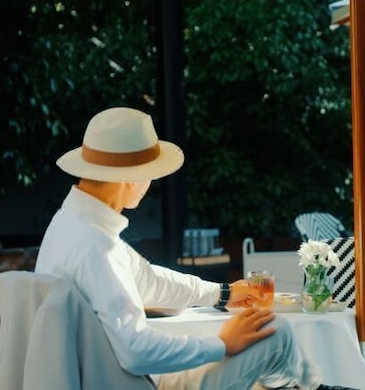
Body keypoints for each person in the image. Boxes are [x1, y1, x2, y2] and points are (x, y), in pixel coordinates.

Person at [35, 107, 322, 390]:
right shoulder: (97, 249)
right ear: (132, 177)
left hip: (109, 378)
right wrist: (222, 344)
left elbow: (148, 279)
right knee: (275, 332)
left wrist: (223, 293)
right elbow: (136, 351)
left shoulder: (70, 226)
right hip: (133, 383)